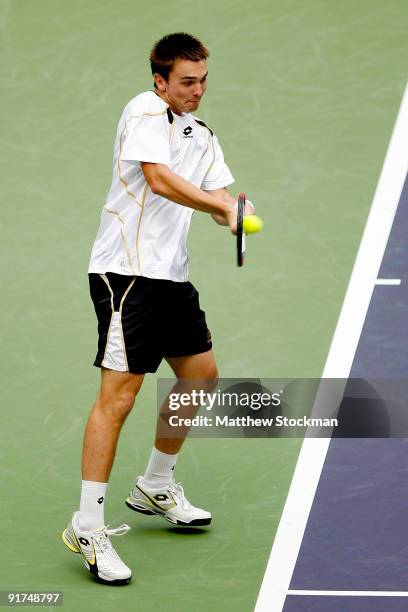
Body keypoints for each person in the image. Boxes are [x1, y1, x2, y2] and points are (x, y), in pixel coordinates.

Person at [61, 32, 255, 585]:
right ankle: (88, 527)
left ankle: (155, 482)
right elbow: (159, 179)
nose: (197, 90)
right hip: (125, 274)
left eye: (203, 79)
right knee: (118, 397)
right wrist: (219, 201)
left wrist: (233, 209)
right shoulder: (144, 111)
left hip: (170, 277)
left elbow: (218, 204)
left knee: (199, 375)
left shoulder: (202, 135)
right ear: (160, 81)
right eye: (187, 81)